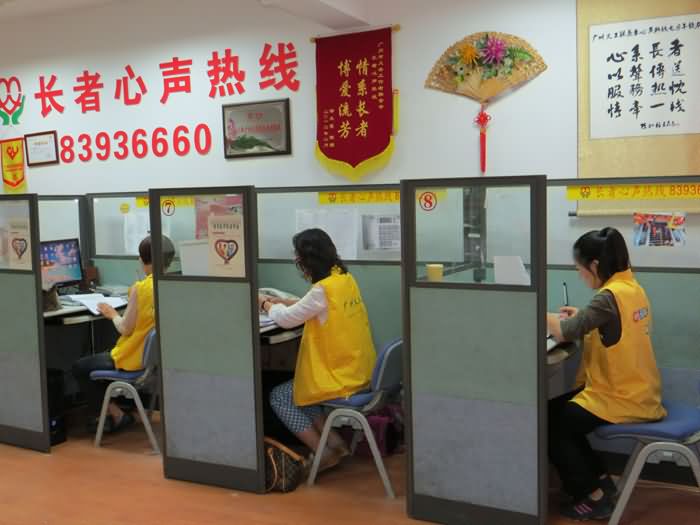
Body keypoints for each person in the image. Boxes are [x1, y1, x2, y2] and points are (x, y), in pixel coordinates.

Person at [546, 227, 666, 521]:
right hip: (638, 389)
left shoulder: (608, 297)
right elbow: (608, 322)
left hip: (621, 396)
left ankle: (592, 497)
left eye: (579, 269)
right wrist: (582, 316)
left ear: (595, 265)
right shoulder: (631, 287)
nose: (580, 276)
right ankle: (601, 480)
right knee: (555, 413)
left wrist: (534, 306)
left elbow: (563, 332)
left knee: (554, 425)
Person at [259, 228, 376, 472]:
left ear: (307, 260)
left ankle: (322, 452)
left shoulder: (322, 290)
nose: (296, 261)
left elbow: (286, 320)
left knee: (280, 396)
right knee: (302, 391)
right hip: (358, 369)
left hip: (340, 378)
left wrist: (265, 302)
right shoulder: (344, 279)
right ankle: (335, 444)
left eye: (297, 256)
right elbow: (316, 305)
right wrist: (284, 302)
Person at [72, 235, 175, 433]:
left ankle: (117, 415)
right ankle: (119, 411)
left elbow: (124, 328)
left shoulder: (141, 288)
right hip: (154, 361)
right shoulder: (172, 284)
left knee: (79, 367)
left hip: (133, 359)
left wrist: (111, 314)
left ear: (142, 259)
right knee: (99, 356)